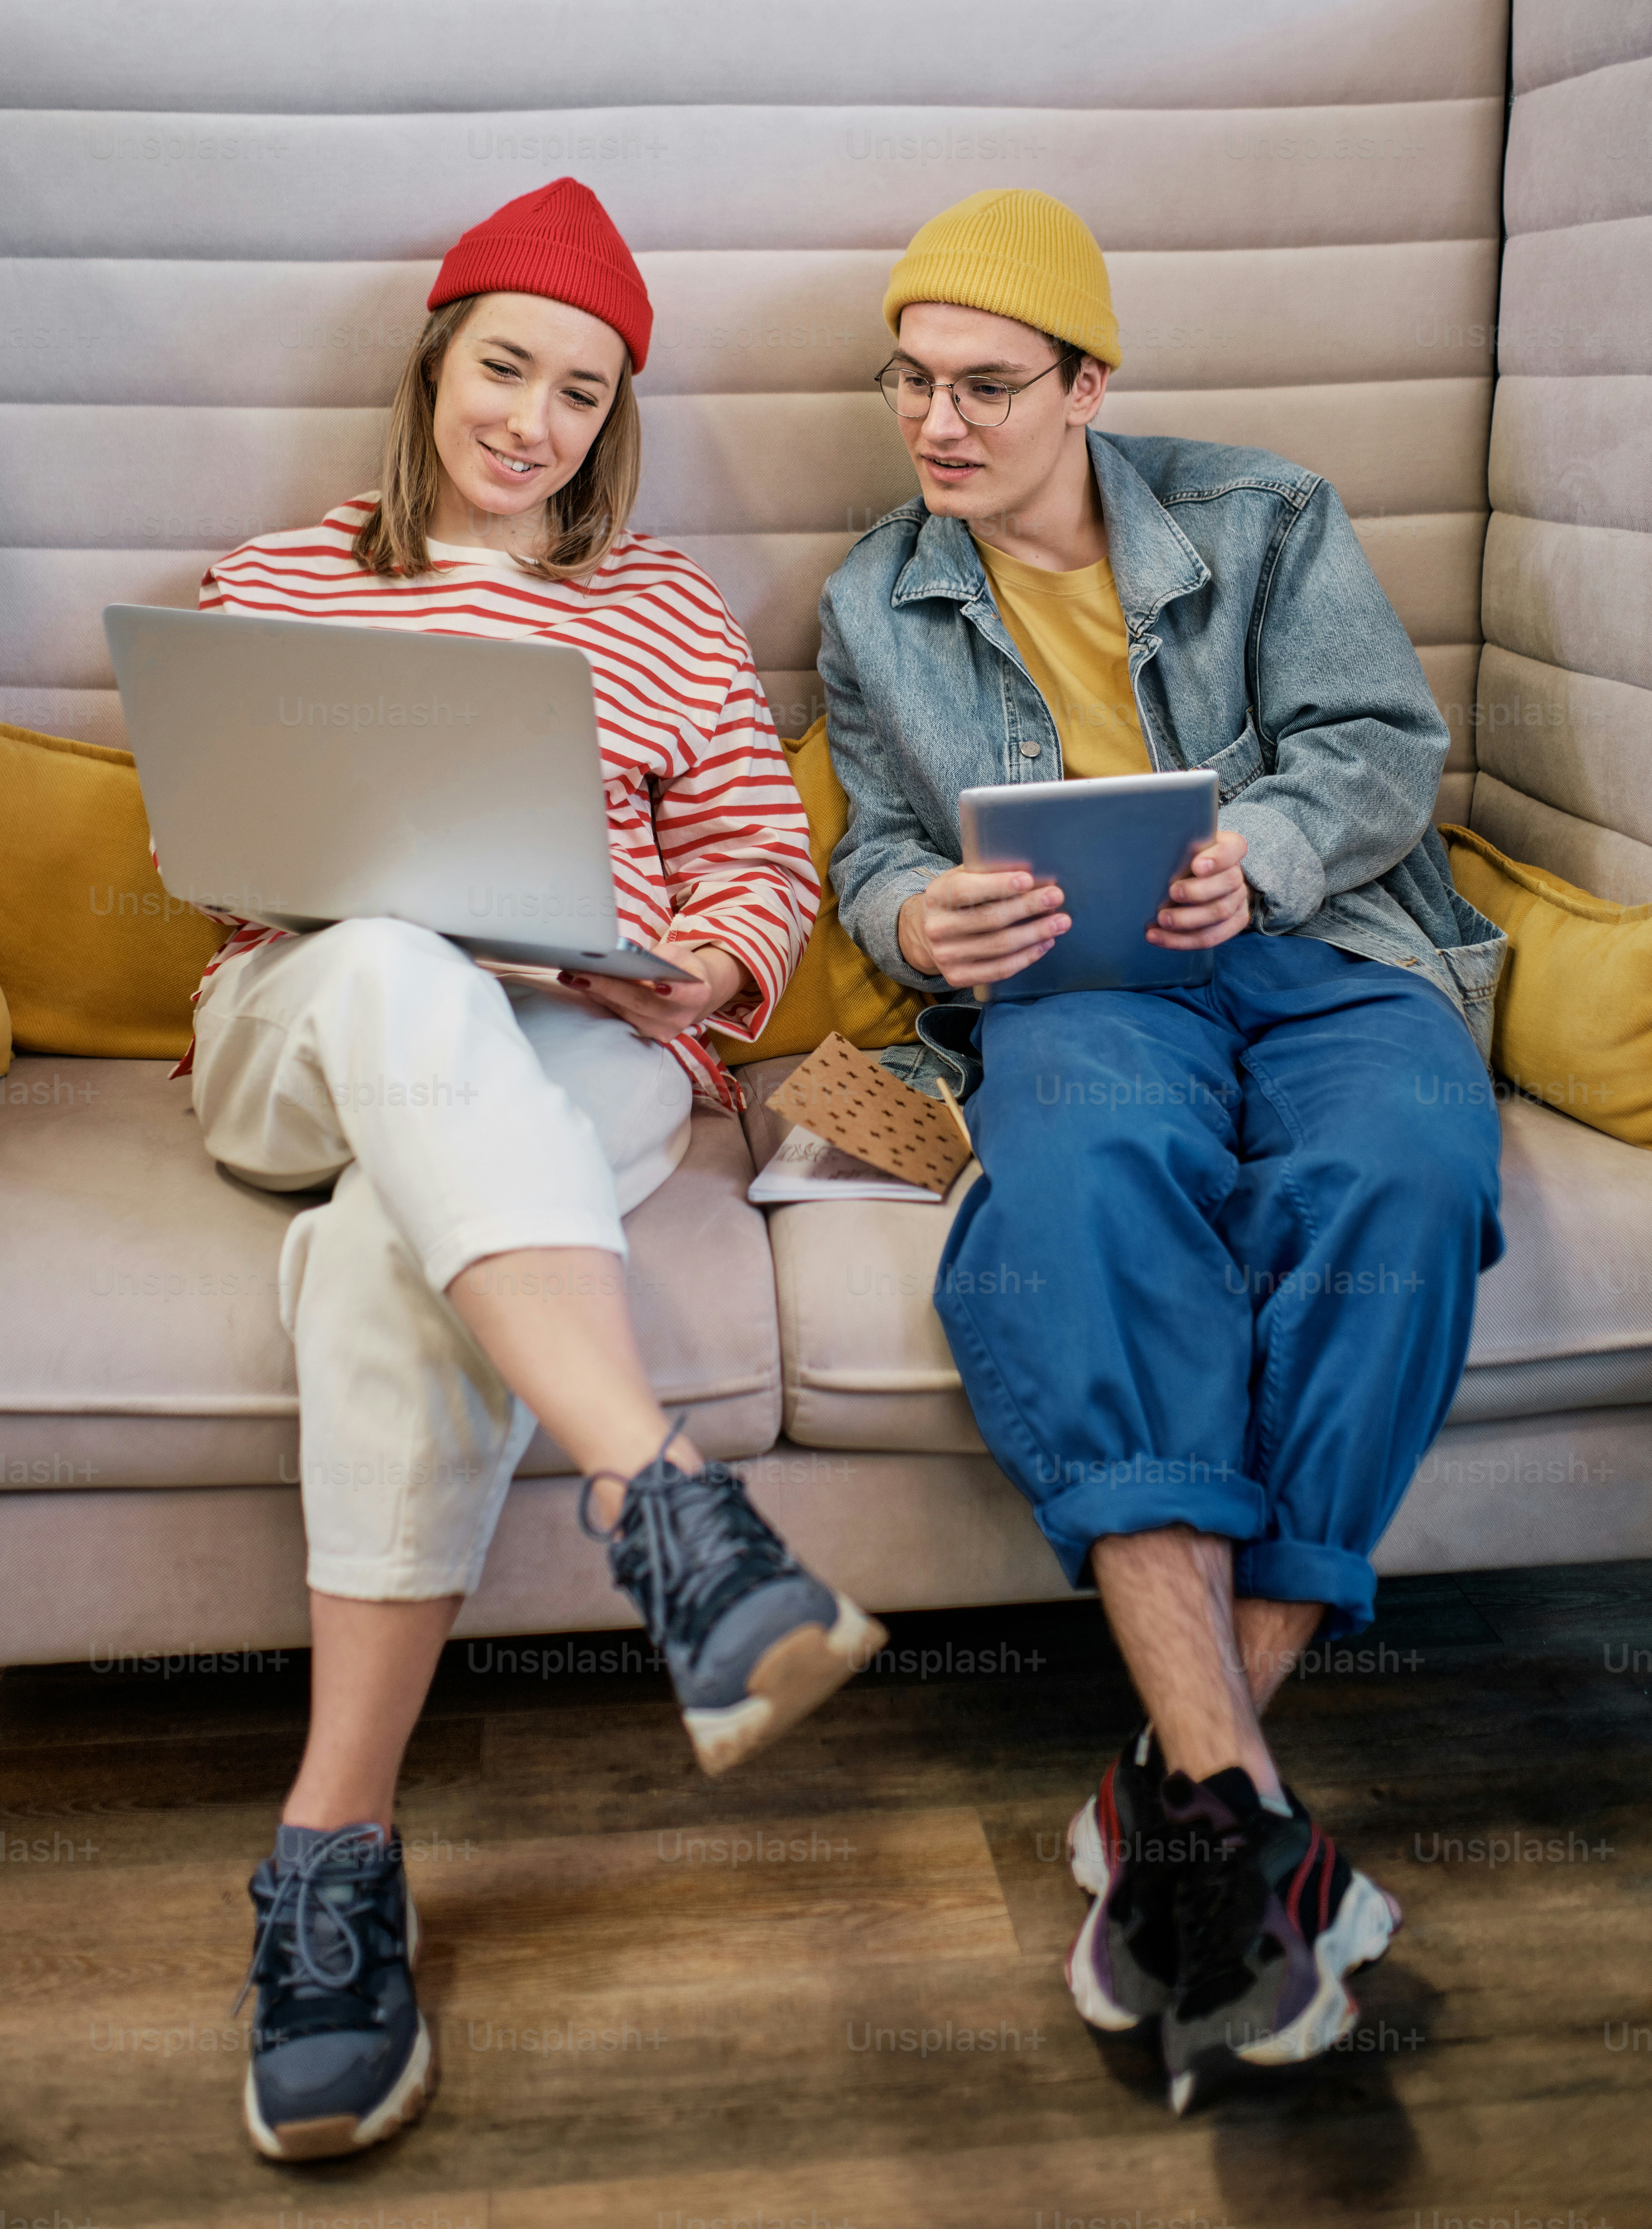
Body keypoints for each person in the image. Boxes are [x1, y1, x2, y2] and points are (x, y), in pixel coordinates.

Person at [185, 178, 885, 2162]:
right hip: (311, 1030)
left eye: (582, 394)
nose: (536, 422)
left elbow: (767, 866)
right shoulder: (274, 580)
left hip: (587, 1042)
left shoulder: (663, 608)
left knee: (377, 1269)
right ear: (433, 365)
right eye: (507, 368)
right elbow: (225, 863)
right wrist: (380, 906)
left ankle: (332, 1856)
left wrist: (690, 956)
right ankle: (669, 1504)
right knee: (399, 958)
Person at [817, 187, 1506, 2113]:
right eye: (911, 381)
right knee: (1083, 1189)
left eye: (985, 385)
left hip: (1329, 954)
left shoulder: (1268, 512)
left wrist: (1262, 856)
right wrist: (905, 922)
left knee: (1408, 1183)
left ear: (1087, 385)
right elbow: (874, 843)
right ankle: (1240, 1818)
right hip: (1083, 987)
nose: (939, 422)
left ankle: (1181, 1795)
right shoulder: (876, 598)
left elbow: (1379, 744)